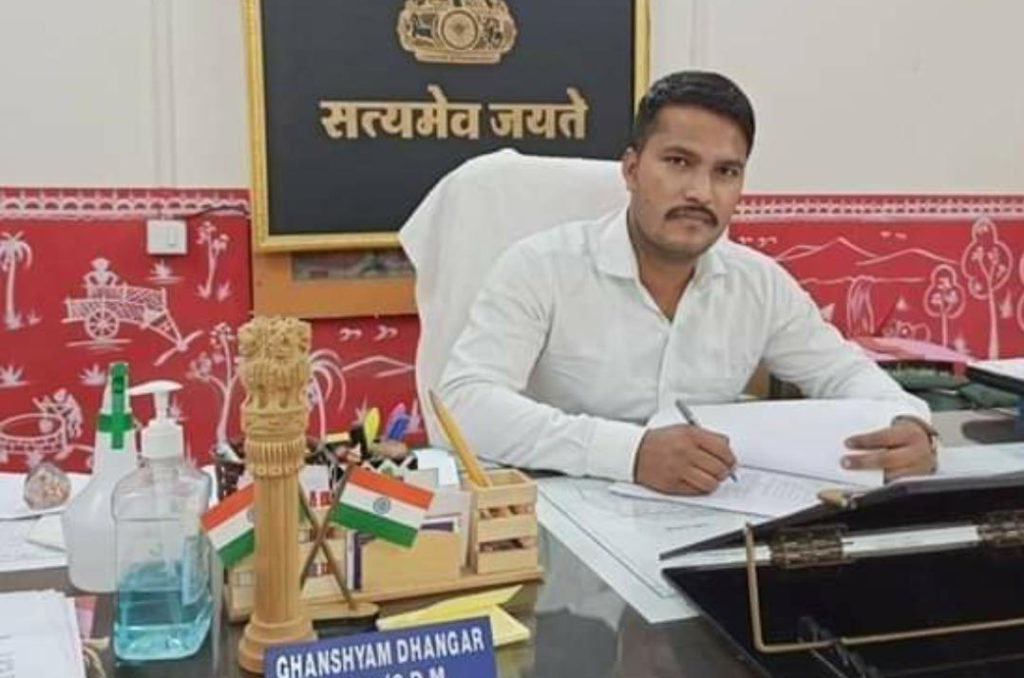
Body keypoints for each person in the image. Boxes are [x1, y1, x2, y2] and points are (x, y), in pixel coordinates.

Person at [438, 71, 938, 495]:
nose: (701, 192)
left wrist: (909, 422)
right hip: (562, 527)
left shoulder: (758, 284)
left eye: (726, 172)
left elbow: (845, 373)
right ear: (632, 169)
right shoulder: (540, 268)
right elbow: (464, 406)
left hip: (713, 523)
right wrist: (630, 453)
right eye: (678, 162)